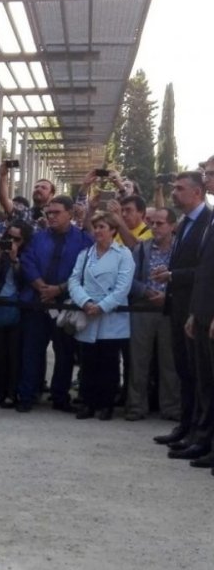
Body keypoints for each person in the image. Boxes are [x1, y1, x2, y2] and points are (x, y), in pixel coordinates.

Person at [151, 171, 212, 457]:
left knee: (201, 375)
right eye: (173, 188)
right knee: (185, 372)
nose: (174, 193)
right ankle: (186, 427)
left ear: (197, 192)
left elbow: (205, 270)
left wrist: (174, 275)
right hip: (179, 308)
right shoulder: (186, 223)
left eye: (179, 188)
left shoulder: (206, 221)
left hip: (196, 308)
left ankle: (201, 434)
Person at [15, 195, 92, 413]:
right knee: (32, 352)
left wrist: (59, 289)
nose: (51, 217)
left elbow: (85, 269)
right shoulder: (38, 238)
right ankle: (28, 395)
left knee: (65, 354)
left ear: (69, 213)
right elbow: (27, 261)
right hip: (37, 303)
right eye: (49, 213)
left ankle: (60, 396)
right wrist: (41, 287)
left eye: (56, 212)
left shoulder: (84, 240)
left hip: (66, 305)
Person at [68, 211, 134, 420]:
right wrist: (85, 302)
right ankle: (87, 402)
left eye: (102, 227)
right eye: (95, 227)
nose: (97, 231)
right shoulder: (85, 254)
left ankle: (106, 405)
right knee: (88, 362)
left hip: (111, 316)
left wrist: (102, 306)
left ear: (113, 231)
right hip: (87, 313)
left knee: (109, 363)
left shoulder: (123, 254)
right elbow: (74, 280)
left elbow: (123, 287)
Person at [126, 208, 180, 422]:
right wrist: (146, 291)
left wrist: (169, 296)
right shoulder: (140, 248)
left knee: (170, 362)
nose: (155, 227)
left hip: (170, 309)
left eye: (160, 223)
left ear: (173, 226)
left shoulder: (181, 249)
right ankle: (136, 406)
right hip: (143, 309)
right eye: (153, 224)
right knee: (138, 360)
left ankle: (172, 407)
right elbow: (128, 279)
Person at [181, 159, 214, 468]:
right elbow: (206, 270)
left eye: (212, 174)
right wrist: (194, 313)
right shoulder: (212, 220)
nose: (207, 180)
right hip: (202, 311)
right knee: (205, 380)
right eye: (206, 174)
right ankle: (203, 440)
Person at [0, 221, 34, 408]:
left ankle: (11, 392)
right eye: (9, 237)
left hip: (17, 306)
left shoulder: (27, 255)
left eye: (17, 239)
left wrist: (15, 260)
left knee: (14, 353)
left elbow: (25, 280)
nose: (12, 242)